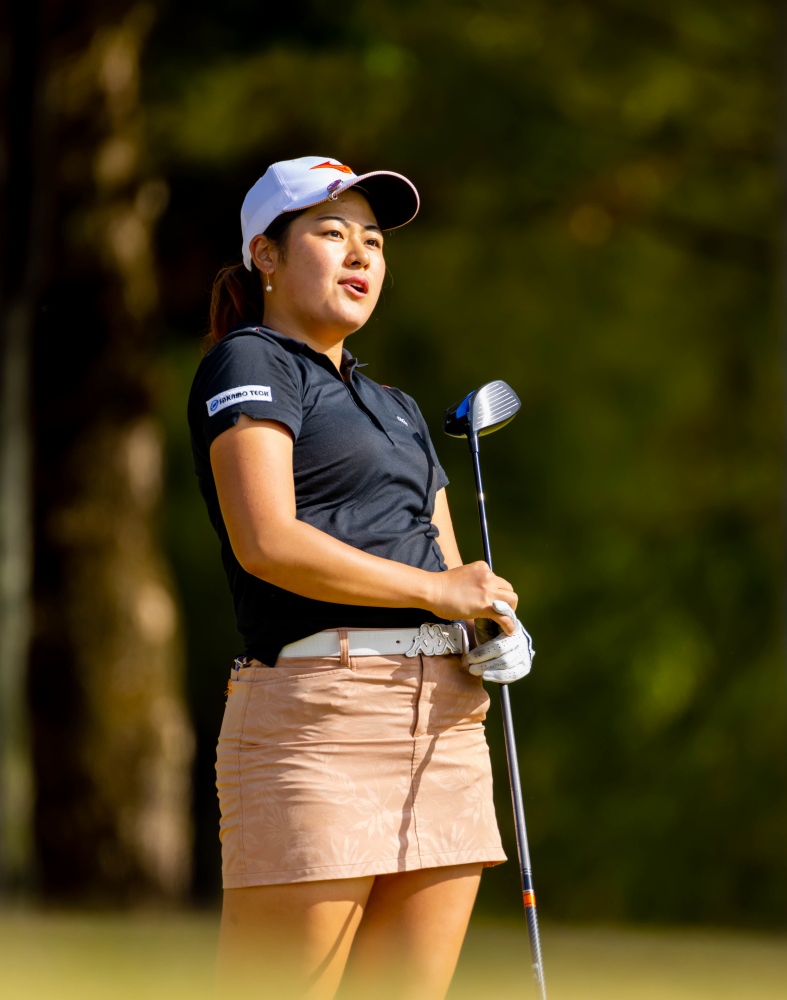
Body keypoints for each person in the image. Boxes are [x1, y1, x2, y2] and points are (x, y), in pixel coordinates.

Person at [188, 156, 535, 1000]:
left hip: (445, 722)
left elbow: (447, 567)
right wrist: (437, 592)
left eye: (373, 241)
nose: (360, 255)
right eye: (331, 233)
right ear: (265, 256)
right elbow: (266, 540)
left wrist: (491, 625)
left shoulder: (399, 408)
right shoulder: (251, 362)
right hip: (318, 718)